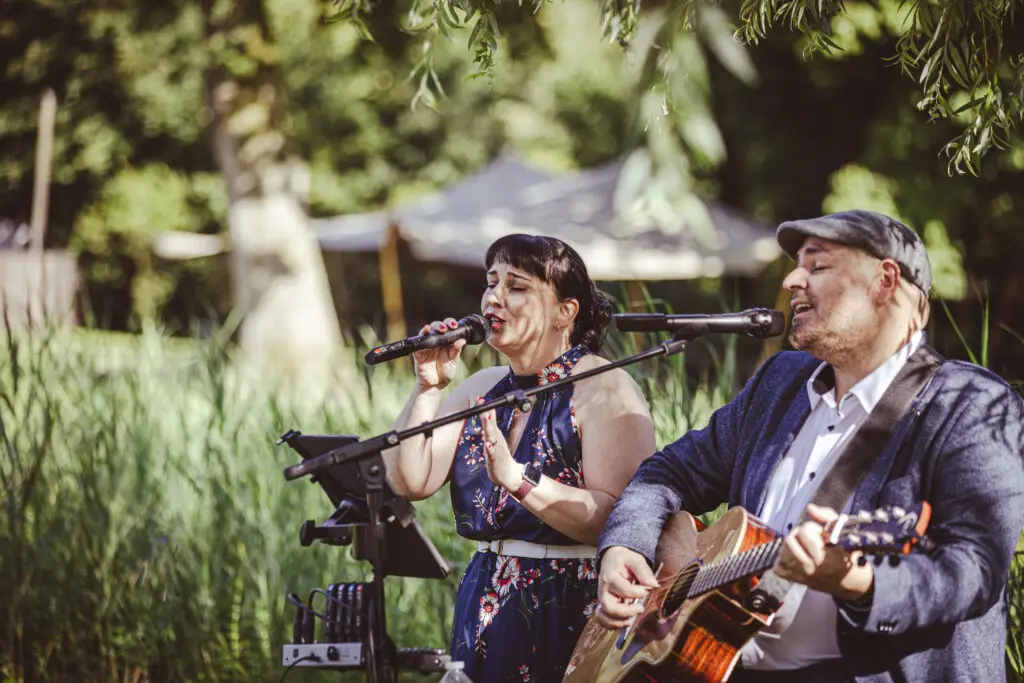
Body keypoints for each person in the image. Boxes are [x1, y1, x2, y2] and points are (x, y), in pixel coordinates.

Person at [594, 210, 1024, 683]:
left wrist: (859, 583)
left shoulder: (969, 403)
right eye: (797, 266)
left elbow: (973, 571)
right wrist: (625, 544)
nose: (792, 280)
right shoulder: (780, 381)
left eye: (817, 266)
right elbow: (669, 472)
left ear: (884, 281)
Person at [383, 233, 656, 682]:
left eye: (516, 286)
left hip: (569, 602)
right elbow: (410, 480)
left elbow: (618, 518)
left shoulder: (603, 385)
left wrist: (517, 479)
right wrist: (428, 388)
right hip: (484, 597)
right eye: (491, 282)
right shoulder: (482, 387)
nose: (494, 298)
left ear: (565, 311)